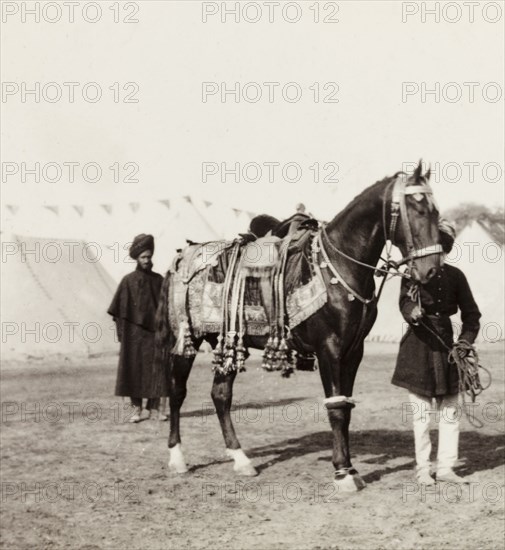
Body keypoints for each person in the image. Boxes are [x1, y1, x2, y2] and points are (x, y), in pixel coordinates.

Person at [391, 218, 481, 485]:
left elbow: (472, 316)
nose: (433, 252)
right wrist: (412, 313)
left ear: (445, 249)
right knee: (421, 417)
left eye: (439, 247)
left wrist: (464, 344)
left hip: (448, 351)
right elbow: (404, 302)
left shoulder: (456, 276)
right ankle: (422, 469)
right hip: (417, 347)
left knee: (450, 413)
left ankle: (445, 469)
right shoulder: (412, 273)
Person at [108, 234, 168, 423]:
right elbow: (118, 311)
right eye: (143, 257)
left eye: (149, 257)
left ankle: (154, 409)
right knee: (133, 371)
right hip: (133, 336)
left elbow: (166, 308)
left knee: (155, 371)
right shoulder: (128, 281)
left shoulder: (159, 280)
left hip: (154, 335)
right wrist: (122, 334)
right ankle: (135, 410)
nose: (146, 260)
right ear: (136, 258)